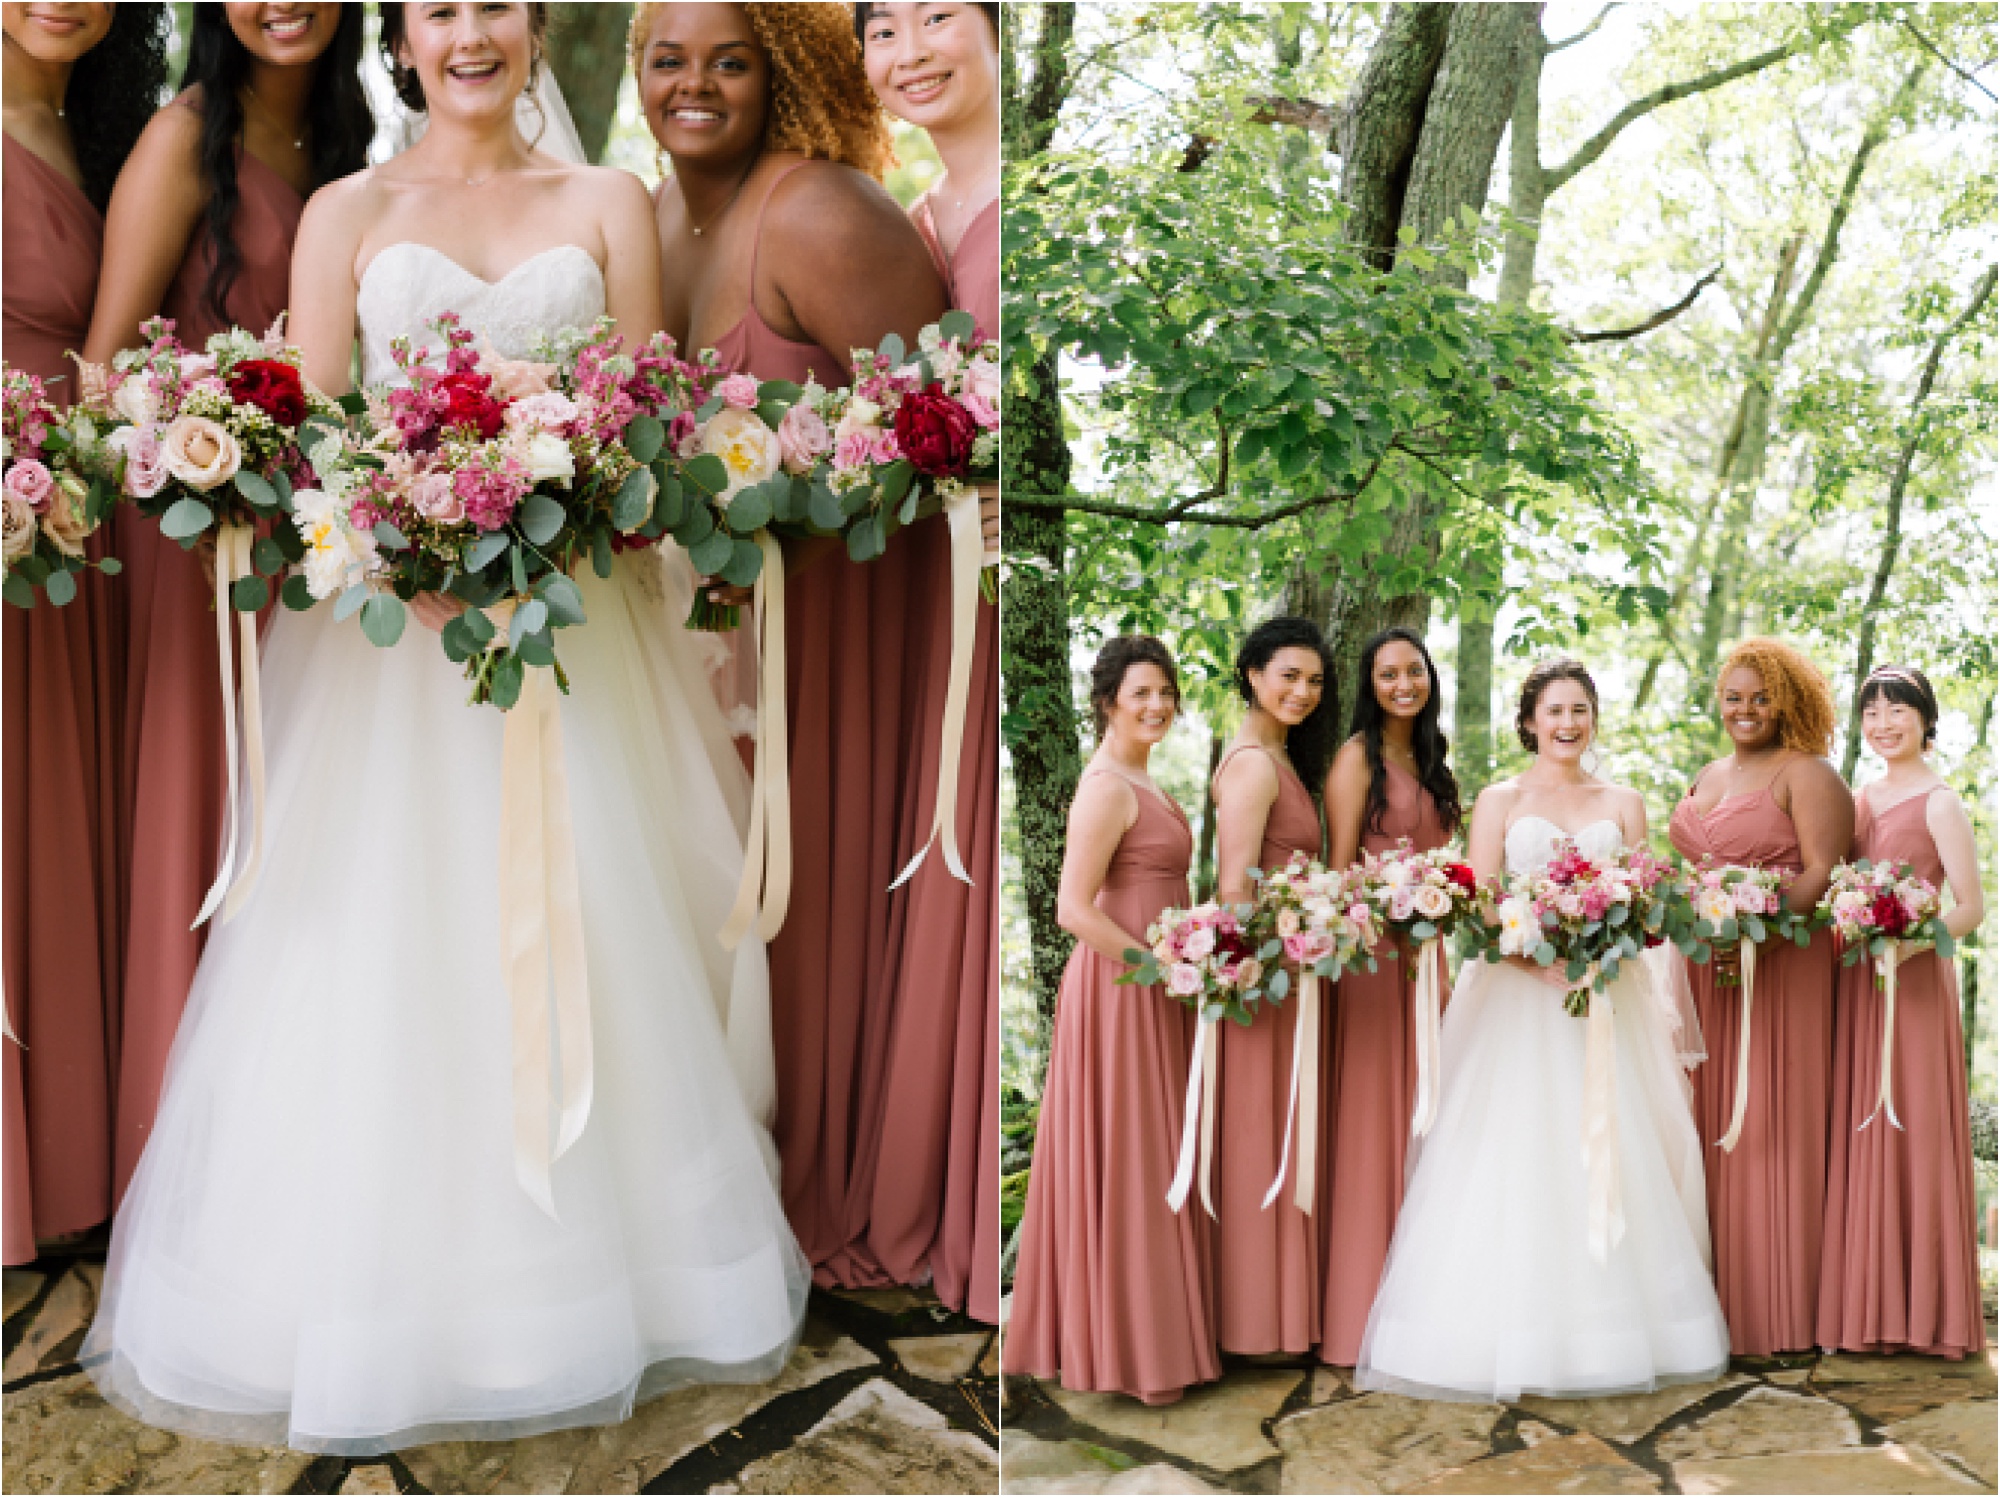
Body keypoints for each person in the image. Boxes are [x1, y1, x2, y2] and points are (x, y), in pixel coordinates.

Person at [82, 2, 807, 1452]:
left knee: (589, 927)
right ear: (404, 41)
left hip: (573, 633)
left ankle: (592, 1282)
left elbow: (643, 413)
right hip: (391, 657)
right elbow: (318, 431)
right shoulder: (347, 208)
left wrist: (574, 508)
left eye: (494, 6)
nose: (469, 33)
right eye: (438, 10)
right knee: (380, 937)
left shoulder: (609, 201)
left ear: (533, 32)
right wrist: (400, 552)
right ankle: (376, 1292)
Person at [634, 1, 955, 1298]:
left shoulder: (821, 210)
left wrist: (784, 563)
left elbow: (935, 428)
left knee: (809, 898)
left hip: (843, 627)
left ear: (789, 71)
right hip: (710, 642)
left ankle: (834, 1171)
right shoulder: (652, 220)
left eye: (733, 59)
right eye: (669, 59)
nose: (695, 84)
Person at [82, 0, 372, 1203]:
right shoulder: (179, 140)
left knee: (299, 826)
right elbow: (103, 366)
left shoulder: (356, 146)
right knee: (202, 817)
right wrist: (212, 453)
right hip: (192, 545)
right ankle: (176, 1169)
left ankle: (279, 1145)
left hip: (310, 557)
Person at [1356, 659, 1730, 1401]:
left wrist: (1604, 945)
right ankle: (1498, 1335)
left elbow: (1646, 901)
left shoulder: (1622, 801)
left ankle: (1612, 1334)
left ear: (1594, 717)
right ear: (1529, 720)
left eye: (1580, 709)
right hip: (1518, 997)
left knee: (1609, 1153)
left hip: (1605, 997)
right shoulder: (1500, 798)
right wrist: (1538, 960)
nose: (1567, 723)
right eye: (1553, 710)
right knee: (1515, 1156)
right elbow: (1481, 904)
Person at [2, 0, 168, 1267]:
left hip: (97, 523)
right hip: (19, 524)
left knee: (77, 829)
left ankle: (86, 1153)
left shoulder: (106, 139)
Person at [855, 0, 1002, 1323]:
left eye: (935, 14)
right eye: (877, 26)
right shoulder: (910, 224)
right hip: (932, 580)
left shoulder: (1036, 193)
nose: (906, 50)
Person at [1002, 635, 1221, 1405]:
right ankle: (1134, 1355)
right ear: (1107, 703)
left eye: (1165, 691)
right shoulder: (1104, 786)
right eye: (1142, 694)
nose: (1157, 705)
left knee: (1161, 1149)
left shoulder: (1146, 778)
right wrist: (1161, 966)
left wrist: (1197, 948)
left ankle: (1165, 1334)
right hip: (1123, 988)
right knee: (1133, 1155)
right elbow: (1072, 909)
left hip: (1162, 981)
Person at [1668, 638, 1850, 1355]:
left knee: (1772, 1131)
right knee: (1707, 1131)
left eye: (1760, 696)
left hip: (1780, 969)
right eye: (1734, 696)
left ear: (1788, 700)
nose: (1745, 709)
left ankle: (1779, 1316)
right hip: (1706, 971)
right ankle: (1712, 1313)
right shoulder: (1708, 773)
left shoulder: (1808, 774)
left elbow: (1821, 873)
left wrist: (1758, 938)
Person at [1818, 666, 1987, 1358]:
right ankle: (1869, 1311)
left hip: (1914, 983)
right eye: (1873, 712)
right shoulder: (1858, 799)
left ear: (1924, 717)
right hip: (1861, 981)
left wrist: (1910, 942)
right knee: (1864, 1132)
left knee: (1913, 1128)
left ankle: (1928, 1317)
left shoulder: (1940, 801)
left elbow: (1971, 907)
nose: (1884, 723)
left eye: (1898, 709)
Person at [1317, 626, 1460, 1366]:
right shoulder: (1356, 760)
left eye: (1414, 670)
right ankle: (1355, 1319)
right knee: (1378, 1121)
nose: (1403, 683)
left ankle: (1421, 1309)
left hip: (1428, 959)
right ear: (1369, 686)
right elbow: (1339, 873)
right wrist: (1391, 904)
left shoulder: (1432, 759)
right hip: (1373, 962)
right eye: (1387, 674)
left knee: (1428, 1118)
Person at [1207, 616, 1330, 1355]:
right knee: (1261, 1136)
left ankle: (1282, 1315)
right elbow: (1233, 889)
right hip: (1264, 980)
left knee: (1284, 1133)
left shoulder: (1281, 758)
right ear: (1252, 672)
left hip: (1293, 968)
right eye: (1287, 674)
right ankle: (1253, 1321)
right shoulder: (1252, 764)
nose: (1302, 691)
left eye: (1314, 680)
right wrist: (1257, 969)